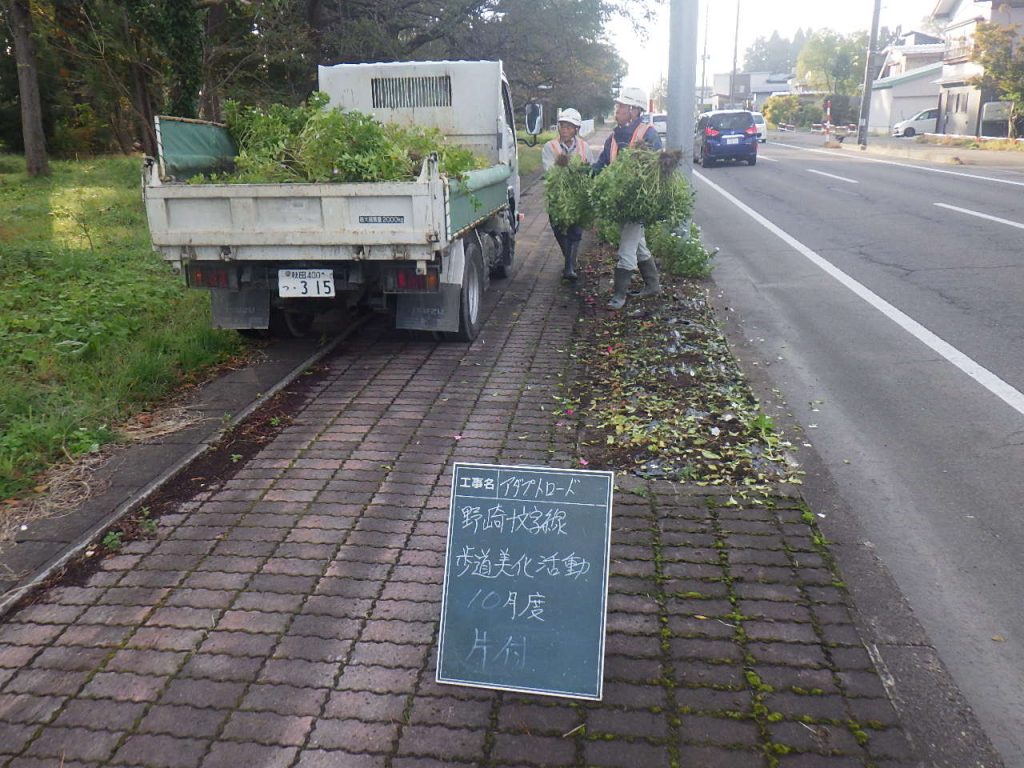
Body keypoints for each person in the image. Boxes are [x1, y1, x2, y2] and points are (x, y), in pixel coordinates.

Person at [592, 86, 663, 309]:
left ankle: (619, 295)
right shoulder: (614, 137)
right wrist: (588, 173)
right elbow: (603, 163)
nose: (617, 109)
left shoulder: (648, 134)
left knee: (626, 247)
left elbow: (657, 169)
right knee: (638, 244)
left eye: (621, 106)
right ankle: (653, 285)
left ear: (633, 110)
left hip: (637, 203)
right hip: (621, 201)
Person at [541, 108, 591, 280]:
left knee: (576, 230)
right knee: (559, 229)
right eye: (562, 126)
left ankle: (569, 267)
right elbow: (550, 171)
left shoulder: (584, 147)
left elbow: (589, 169)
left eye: (569, 127)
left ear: (576, 129)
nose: (565, 129)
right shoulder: (550, 147)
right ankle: (569, 260)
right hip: (557, 197)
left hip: (578, 196)